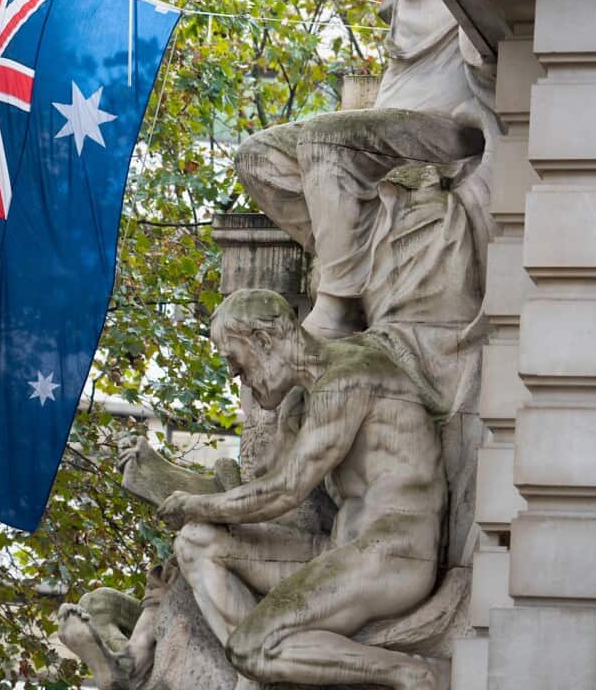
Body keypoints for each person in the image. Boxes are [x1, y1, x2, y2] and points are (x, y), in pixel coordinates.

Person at [158, 289, 448, 689]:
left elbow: (283, 492)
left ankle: (414, 674)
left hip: (393, 555)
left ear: (262, 341)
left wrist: (196, 502)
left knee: (249, 647)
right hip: (340, 550)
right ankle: (264, 673)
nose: (234, 376)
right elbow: (273, 483)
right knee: (195, 542)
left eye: (234, 361)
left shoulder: (347, 379)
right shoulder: (314, 394)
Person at [235, 0, 498, 339]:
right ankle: (353, 256)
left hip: (444, 128)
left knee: (323, 142)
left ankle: (339, 304)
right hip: (385, 127)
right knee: (257, 157)